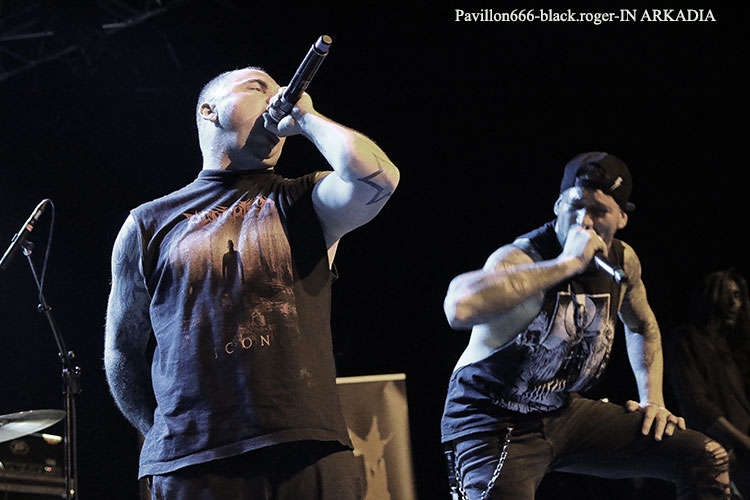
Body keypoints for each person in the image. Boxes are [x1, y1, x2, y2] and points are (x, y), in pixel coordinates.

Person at [103, 64, 399, 499]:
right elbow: (122, 349)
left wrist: (306, 117)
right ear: (209, 110)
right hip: (193, 463)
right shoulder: (149, 223)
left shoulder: (304, 200)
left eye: (281, 91)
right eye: (258, 88)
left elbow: (379, 178)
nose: (277, 97)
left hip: (309, 448)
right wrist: (163, 435)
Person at [440, 152, 732, 499]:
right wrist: (567, 263)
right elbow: (458, 308)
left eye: (598, 211)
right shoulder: (523, 257)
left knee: (705, 457)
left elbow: (642, 326)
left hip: (563, 414)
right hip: (493, 421)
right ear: (557, 206)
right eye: (575, 206)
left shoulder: (623, 261)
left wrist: (652, 399)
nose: (584, 221)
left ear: (622, 217)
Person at [667, 270, 750, 498]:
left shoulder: (729, 350)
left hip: (739, 460)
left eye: (738, 296)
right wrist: (742, 441)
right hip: (712, 455)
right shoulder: (687, 340)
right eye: (727, 294)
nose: (735, 303)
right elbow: (697, 406)